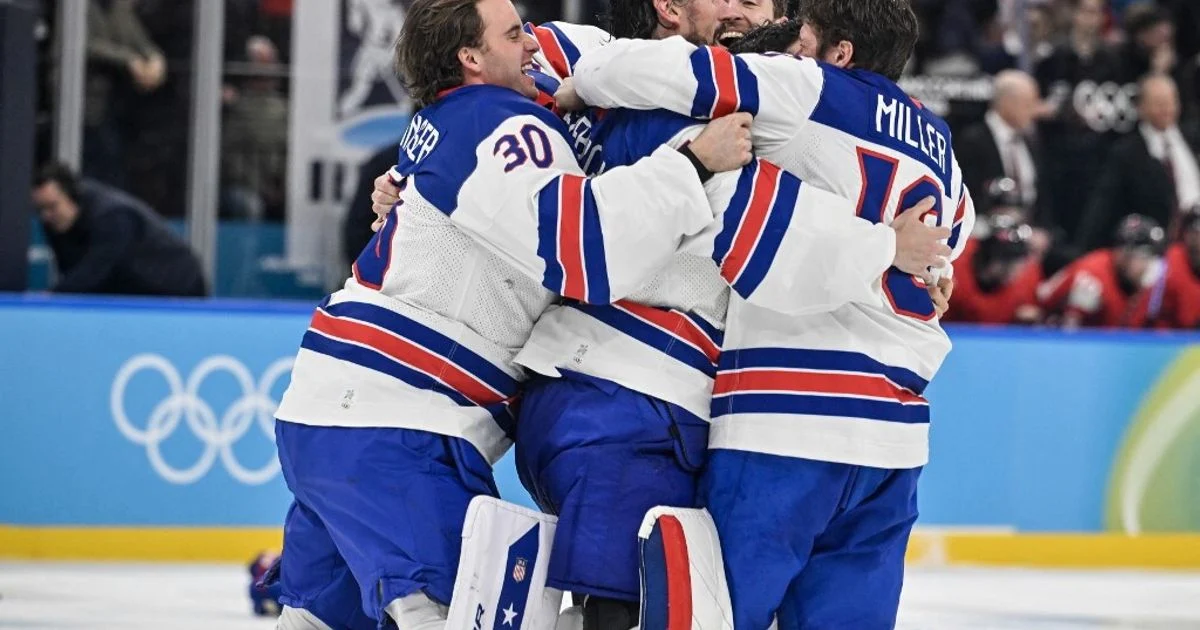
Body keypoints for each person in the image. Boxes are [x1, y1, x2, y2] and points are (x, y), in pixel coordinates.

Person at [267, 0, 752, 626]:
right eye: (515, 33)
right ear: (471, 58)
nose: (532, 46)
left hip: (334, 410)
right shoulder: (503, 122)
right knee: (453, 616)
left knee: (318, 621)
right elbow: (585, 248)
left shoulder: (511, 87)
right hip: (393, 425)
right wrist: (692, 162)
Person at [561, 1, 975, 626]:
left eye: (803, 38)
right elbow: (942, 258)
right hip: (895, 440)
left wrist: (580, 84)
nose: (786, 46)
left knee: (717, 615)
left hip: (786, 415)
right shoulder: (945, 153)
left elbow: (683, 73)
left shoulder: (811, 86)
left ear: (839, 53)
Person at [31, 163, 207, 297]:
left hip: (176, 289)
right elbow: (74, 274)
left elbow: (95, 270)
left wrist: (52, 297)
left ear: (73, 197)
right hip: (130, 291)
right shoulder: (53, 222)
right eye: (40, 209)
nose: (46, 216)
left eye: (52, 206)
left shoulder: (113, 216)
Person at [1082, 75, 1200, 250]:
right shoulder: (1127, 153)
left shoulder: (1193, 138)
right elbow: (1103, 208)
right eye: (1159, 103)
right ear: (1141, 107)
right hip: (1157, 245)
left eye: (1171, 101)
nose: (1166, 108)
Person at [1039, 214, 1167, 329]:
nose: (1147, 265)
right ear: (1122, 254)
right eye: (1143, 256)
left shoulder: (1153, 281)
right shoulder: (1092, 272)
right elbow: (1043, 304)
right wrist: (1075, 313)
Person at [956, 70, 1045, 219]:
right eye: (1028, 104)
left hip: (1032, 230)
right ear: (1007, 103)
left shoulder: (1031, 140)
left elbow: (1041, 195)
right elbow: (967, 193)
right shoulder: (972, 141)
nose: (1034, 111)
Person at [944, 213, 1043, 325]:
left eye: (1016, 261)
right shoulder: (952, 262)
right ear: (985, 256)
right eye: (1005, 259)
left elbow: (1035, 314)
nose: (1012, 269)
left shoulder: (1028, 275)